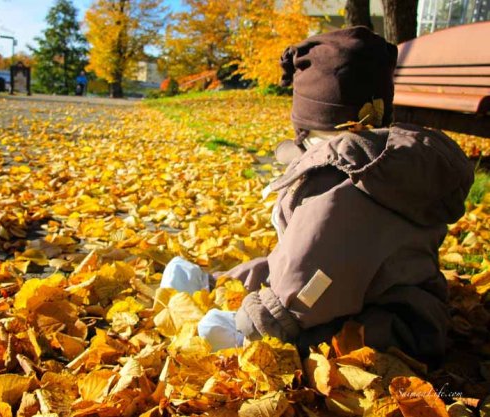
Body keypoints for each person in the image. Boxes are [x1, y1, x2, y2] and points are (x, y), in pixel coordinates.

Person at [160, 26, 474, 366]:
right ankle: (209, 283)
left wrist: (260, 324)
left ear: (309, 131)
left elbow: (312, 273)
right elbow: (293, 260)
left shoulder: (340, 190)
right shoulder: (385, 168)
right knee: (281, 265)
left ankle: (246, 338)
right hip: (378, 289)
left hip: (400, 323)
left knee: (332, 337)